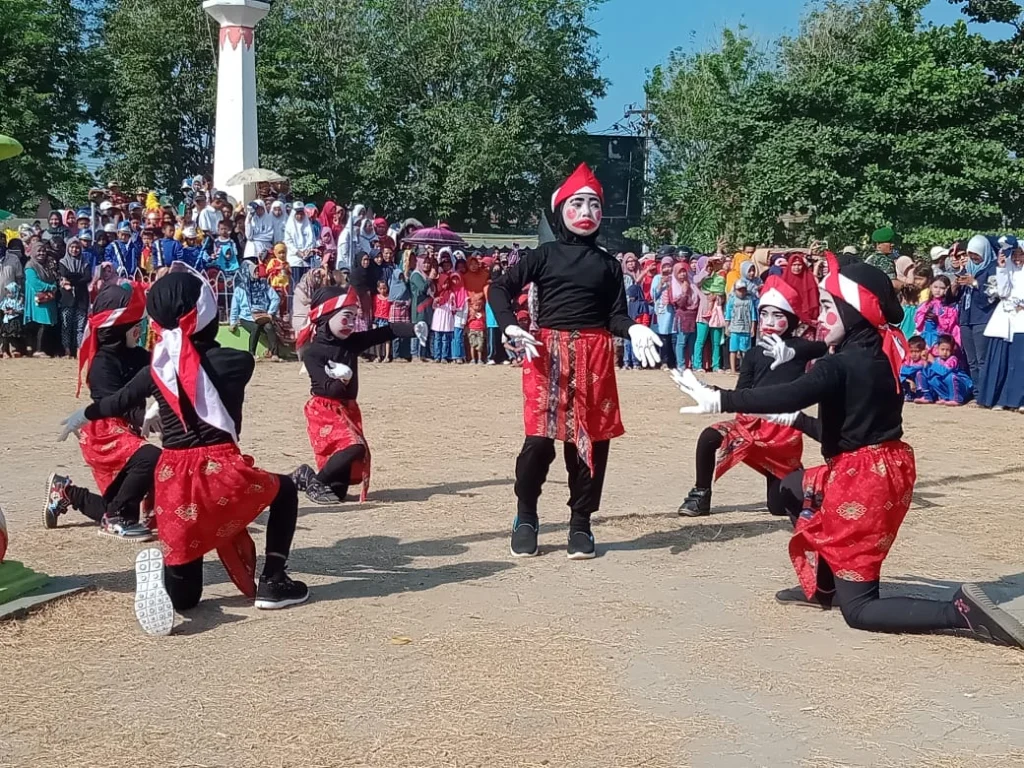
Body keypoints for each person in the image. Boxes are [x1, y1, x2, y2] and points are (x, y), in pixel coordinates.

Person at [674, 255, 1024, 648]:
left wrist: (720, 398)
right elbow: (843, 431)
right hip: (882, 468)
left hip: (862, 480)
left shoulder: (840, 364)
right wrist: (796, 420)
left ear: (854, 310)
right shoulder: (878, 353)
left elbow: (789, 392)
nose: (820, 316)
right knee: (792, 487)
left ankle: (957, 611)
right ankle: (825, 587)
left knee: (859, 609)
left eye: (827, 305)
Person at [58, 267, 308, 636]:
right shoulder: (239, 362)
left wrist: (83, 414)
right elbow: (208, 370)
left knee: (187, 596)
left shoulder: (157, 369)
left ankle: (165, 586)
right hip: (220, 472)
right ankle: (273, 580)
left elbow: (117, 401)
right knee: (284, 491)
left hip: (173, 480)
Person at [488, 163, 662, 560]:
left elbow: (615, 316)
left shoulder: (608, 264)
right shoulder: (543, 255)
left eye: (594, 204)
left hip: (594, 356)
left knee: (591, 443)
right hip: (547, 354)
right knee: (538, 442)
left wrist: (633, 330)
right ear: (561, 209)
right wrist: (510, 324)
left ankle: (581, 522)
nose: (586, 211)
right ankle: (526, 515)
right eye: (578, 203)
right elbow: (500, 288)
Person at [678, 277, 825, 517]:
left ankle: (810, 485)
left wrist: (792, 350)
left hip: (783, 431)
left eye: (777, 315)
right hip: (753, 423)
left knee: (778, 508)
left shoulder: (799, 348)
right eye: (764, 314)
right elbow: (742, 391)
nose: (769, 321)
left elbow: (823, 347)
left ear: (791, 319)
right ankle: (700, 494)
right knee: (709, 436)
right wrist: (711, 390)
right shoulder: (754, 353)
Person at [290, 287, 427, 504]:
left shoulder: (350, 343)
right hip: (324, 410)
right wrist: (343, 378)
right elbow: (329, 389)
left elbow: (384, 332)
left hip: (347, 409)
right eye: (347, 317)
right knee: (355, 446)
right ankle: (316, 484)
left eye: (355, 318)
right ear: (326, 315)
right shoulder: (313, 353)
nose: (352, 323)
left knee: (338, 491)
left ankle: (306, 476)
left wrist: (413, 328)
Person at [46, 282, 157, 540]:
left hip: (129, 432)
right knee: (151, 457)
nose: (140, 330)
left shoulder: (137, 355)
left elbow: (165, 369)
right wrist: (151, 418)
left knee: (122, 508)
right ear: (117, 328)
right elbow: (118, 404)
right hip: (105, 433)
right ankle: (114, 519)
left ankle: (66, 492)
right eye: (135, 325)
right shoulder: (102, 364)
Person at [979, 241, 1024, 410]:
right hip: (1006, 319)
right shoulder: (1009, 269)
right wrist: (1002, 268)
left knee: (1020, 361)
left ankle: (1018, 400)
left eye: (1021, 254)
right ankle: (1001, 399)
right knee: (1004, 361)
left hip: (1021, 319)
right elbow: (1004, 291)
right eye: (1015, 254)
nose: (1018, 258)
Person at [957, 235, 1000, 401]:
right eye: (971, 254)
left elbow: (992, 295)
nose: (973, 257)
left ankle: (987, 394)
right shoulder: (968, 268)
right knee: (971, 360)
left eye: (977, 254)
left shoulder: (993, 268)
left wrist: (975, 283)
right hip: (966, 319)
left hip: (983, 318)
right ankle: (977, 393)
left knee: (983, 360)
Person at [230, 256, 282, 361]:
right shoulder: (240, 289)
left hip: (263, 315)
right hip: (247, 317)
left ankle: (274, 354)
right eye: (255, 271)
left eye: (258, 270)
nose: (258, 273)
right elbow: (235, 307)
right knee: (256, 327)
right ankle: (251, 354)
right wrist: (233, 322)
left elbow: (275, 298)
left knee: (269, 327)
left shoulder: (263, 284)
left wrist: (270, 313)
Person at [912, 334, 973, 406]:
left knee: (950, 377)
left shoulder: (953, 359)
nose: (945, 352)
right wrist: (926, 362)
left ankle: (957, 399)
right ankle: (929, 397)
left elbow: (944, 371)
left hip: (962, 386)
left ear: (952, 350)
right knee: (932, 379)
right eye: (942, 349)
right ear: (937, 349)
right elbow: (928, 374)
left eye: (948, 350)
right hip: (947, 387)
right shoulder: (937, 360)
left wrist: (933, 362)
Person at [57, 237, 92, 357]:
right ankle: (66, 350)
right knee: (66, 325)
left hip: (81, 298)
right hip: (67, 298)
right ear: (68, 248)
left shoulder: (85, 262)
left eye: (77, 247)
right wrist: (79, 277)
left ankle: (79, 350)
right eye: (72, 247)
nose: (74, 249)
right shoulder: (63, 262)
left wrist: (71, 281)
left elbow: (88, 277)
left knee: (80, 326)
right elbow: (64, 274)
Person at [23, 242, 59, 357]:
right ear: (33, 252)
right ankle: (38, 350)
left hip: (48, 297)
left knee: (47, 323)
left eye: (43, 251)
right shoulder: (30, 266)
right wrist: (50, 287)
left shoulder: (46, 265)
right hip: (37, 298)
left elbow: (52, 278)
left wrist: (53, 286)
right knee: (42, 322)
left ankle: (43, 349)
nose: (41, 253)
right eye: (39, 251)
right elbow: (34, 282)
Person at [914, 276, 958, 348]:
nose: (938, 290)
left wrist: (938, 319)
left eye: (942, 288)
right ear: (930, 287)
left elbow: (950, 325)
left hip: (941, 340)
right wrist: (924, 316)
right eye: (935, 287)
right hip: (926, 338)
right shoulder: (925, 305)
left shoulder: (949, 308)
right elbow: (917, 321)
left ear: (947, 289)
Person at [725, 279, 756, 373]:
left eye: (743, 290)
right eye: (739, 290)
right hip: (734, 329)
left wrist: (753, 328)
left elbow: (753, 316)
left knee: (745, 351)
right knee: (733, 350)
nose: (741, 292)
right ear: (735, 290)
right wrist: (727, 327)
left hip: (746, 329)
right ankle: (733, 370)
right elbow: (728, 315)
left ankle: (744, 370)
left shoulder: (749, 301)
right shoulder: (732, 300)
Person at [285, 202, 318, 287]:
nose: (300, 216)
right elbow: (288, 242)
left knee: (307, 284)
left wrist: (307, 251)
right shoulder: (289, 226)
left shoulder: (308, 225)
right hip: (294, 260)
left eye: (301, 213)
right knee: (296, 285)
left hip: (307, 260)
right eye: (297, 214)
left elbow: (312, 240)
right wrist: (298, 252)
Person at [388, 253, 413, 361]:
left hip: (405, 307)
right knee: (396, 334)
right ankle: (396, 355)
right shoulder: (396, 272)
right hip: (396, 307)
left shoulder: (409, 275)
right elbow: (400, 276)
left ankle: (404, 354)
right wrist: (404, 273)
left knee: (405, 333)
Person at [410, 251, 434, 361]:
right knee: (418, 329)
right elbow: (422, 288)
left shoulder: (425, 275)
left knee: (424, 330)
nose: (427, 265)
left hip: (426, 306)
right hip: (418, 306)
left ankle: (423, 354)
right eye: (424, 263)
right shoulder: (416, 275)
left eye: (428, 263)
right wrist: (430, 279)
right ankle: (415, 354)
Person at [899, 336, 929, 401]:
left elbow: (911, 370)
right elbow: (901, 370)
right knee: (900, 376)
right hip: (911, 383)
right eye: (911, 351)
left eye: (917, 351)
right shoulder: (908, 360)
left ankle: (922, 395)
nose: (914, 354)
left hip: (921, 386)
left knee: (919, 373)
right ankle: (908, 394)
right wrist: (909, 381)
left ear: (923, 351)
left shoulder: (923, 361)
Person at [0, 282, 25, 357]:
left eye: (10, 292)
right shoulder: (6, 300)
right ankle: (4, 351)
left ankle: (14, 350)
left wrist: (14, 311)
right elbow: (2, 308)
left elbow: (21, 310)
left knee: (13, 336)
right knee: (5, 336)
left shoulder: (18, 301)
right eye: (7, 293)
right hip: (6, 321)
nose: (8, 294)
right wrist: (5, 311)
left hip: (14, 320)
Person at [373, 279, 392, 362]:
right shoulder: (375, 297)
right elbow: (373, 307)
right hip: (377, 319)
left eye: (384, 288)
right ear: (378, 289)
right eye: (381, 288)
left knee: (387, 339)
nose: (383, 290)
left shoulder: (389, 298)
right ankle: (378, 356)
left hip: (386, 319)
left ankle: (387, 356)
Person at [467, 293, 486, 365]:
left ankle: (480, 359)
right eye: (476, 305)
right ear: (472, 305)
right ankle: (473, 359)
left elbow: (484, 320)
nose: (478, 307)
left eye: (479, 305)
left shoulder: (482, 313)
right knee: (472, 345)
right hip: (472, 330)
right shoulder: (470, 313)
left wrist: (482, 317)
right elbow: (467, 321)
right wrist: (471, 318)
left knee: (480, 345)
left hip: (480, 330)